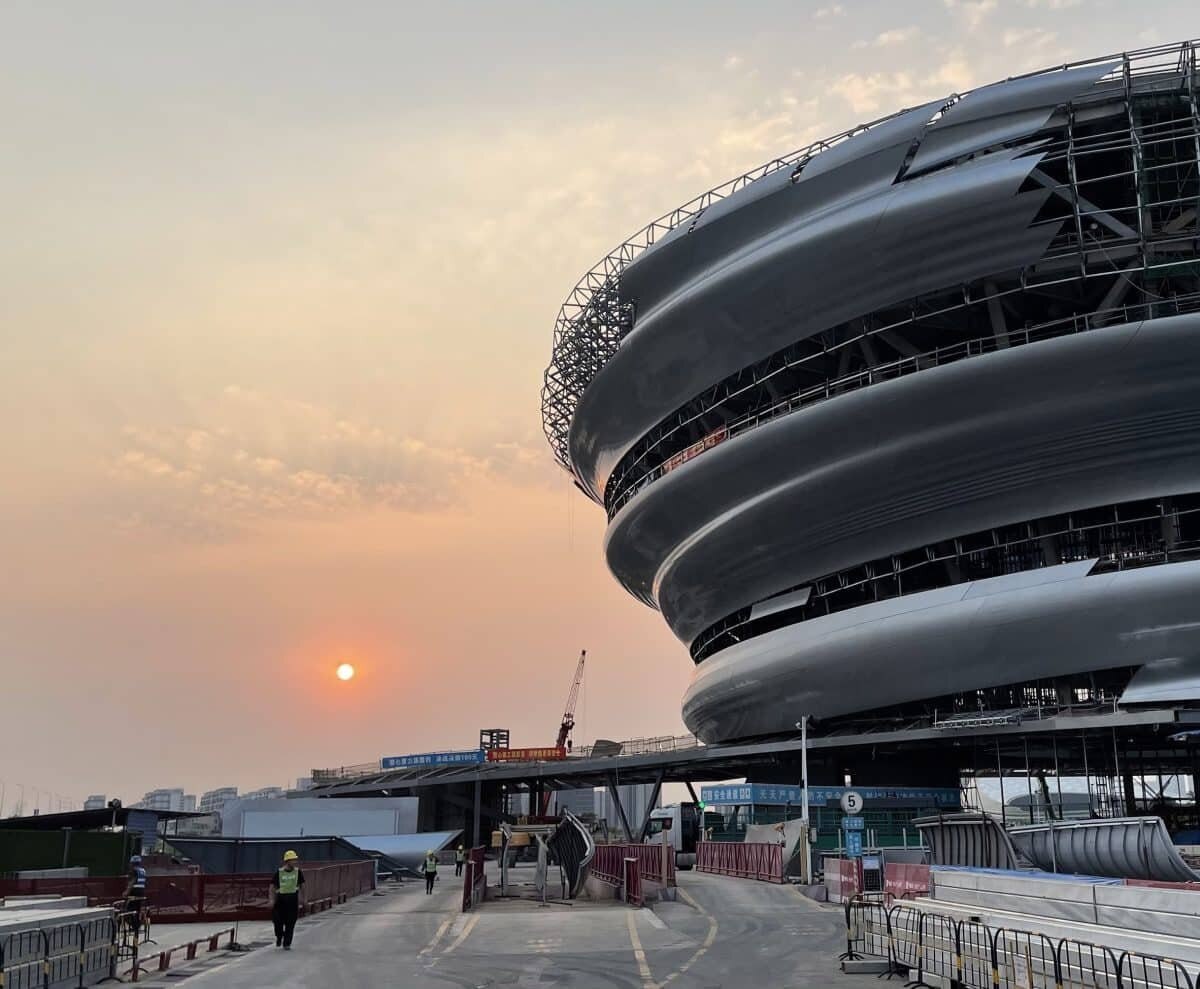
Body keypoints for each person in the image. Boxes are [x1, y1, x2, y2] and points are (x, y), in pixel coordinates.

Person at [270, 850, 306, 949]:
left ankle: (287, 943)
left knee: (291, 923)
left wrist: (304, 898)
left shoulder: (298, 872)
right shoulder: (279, 872)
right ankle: (279, 936)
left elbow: (303, 886)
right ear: (287, 861)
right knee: (278, 921)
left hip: (292, 900)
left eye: (295, 860)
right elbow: (272, 887)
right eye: (293, 860)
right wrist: (271, 900)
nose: (295, 862)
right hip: (280, 900)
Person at [123, 854, 148, 938]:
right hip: (141, 893)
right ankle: (137, 925)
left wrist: (126, 892)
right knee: (137, 910)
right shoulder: (143, 871)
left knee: (128, 910)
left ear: (132, 863)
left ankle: (133, 924)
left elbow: (131, 883)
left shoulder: (133, 871)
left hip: (134, 893)